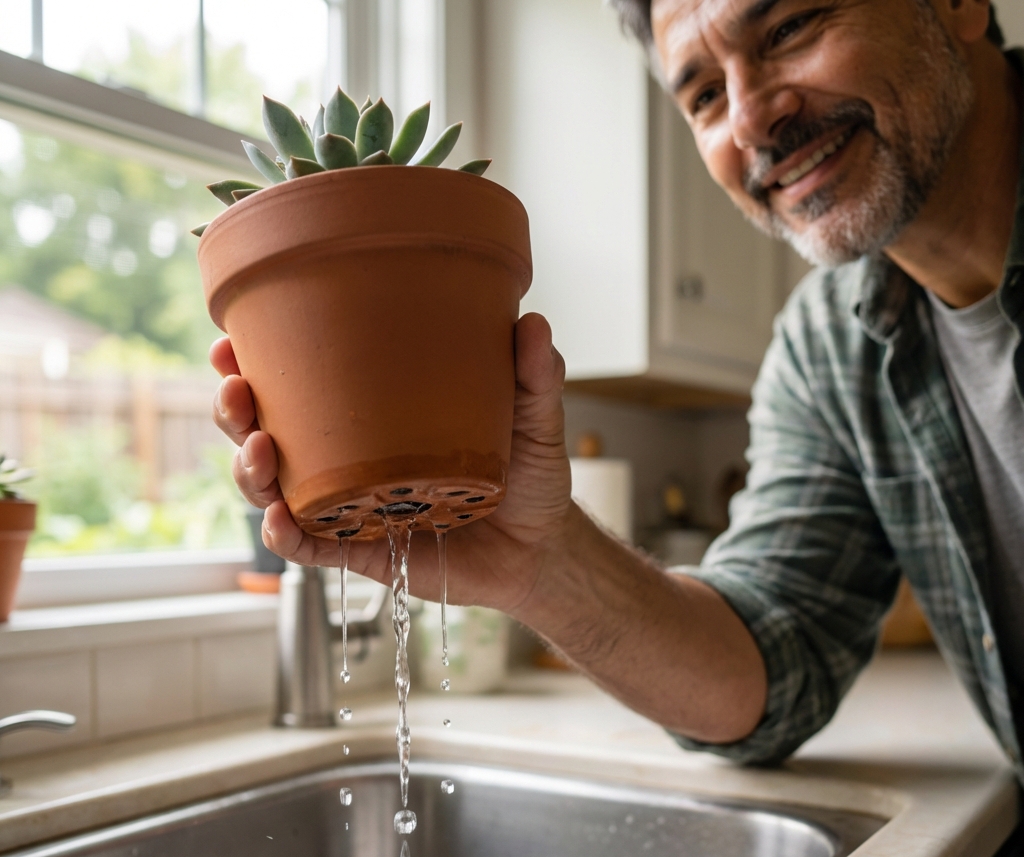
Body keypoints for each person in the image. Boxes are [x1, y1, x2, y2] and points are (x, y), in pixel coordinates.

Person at [211, 0, 1024, 774]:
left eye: (790, 27)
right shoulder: (831, 348)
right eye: (705, 95)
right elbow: (765, 672)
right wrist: (539, 562)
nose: (749, 121)